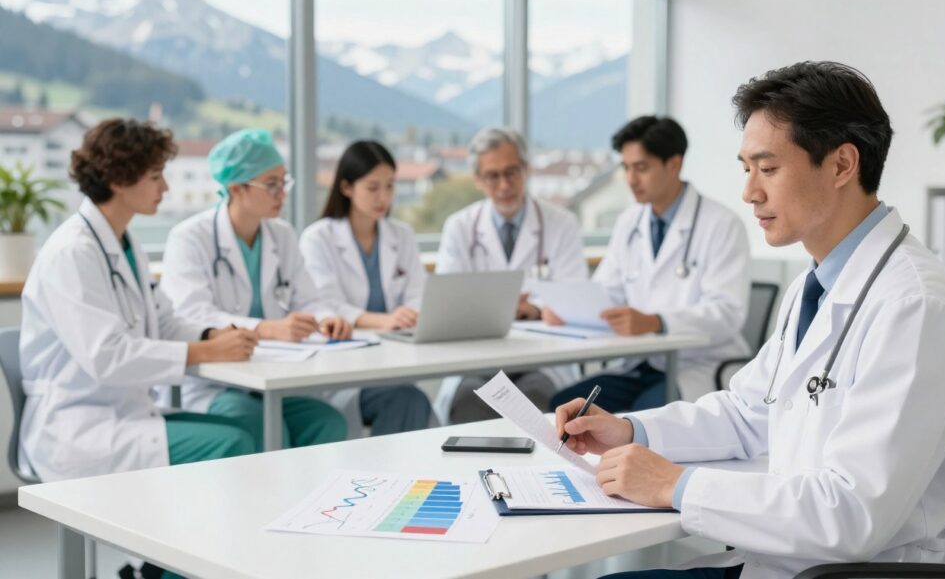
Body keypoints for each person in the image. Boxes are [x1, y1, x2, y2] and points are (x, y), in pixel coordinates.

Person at [553, 61, 945, 579]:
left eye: (768, 168)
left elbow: (852, 515)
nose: (749, 192)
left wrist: (675, 485)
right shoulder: (816, 284)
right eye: (747, 169)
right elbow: (747, 413)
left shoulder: (913, 306)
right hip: (786, 560)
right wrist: (632, 430)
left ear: (841, 165)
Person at [19, 118, 259, 484]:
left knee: (248, 429)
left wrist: (211, 334)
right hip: (79, 425)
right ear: (118, 180)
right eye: (155, 176)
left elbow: (163, 322)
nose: (165, 187)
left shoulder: (123, 243)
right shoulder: (72, 253)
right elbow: (108, 356)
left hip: (124, 411)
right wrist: (205, 352)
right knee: (234, 442)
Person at [160, 128, 350, 450]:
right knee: (262, 425)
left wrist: (326, 319)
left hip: (273, 376)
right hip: (214, 383)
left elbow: (309, 299)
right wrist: (268, 329)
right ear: (236, 188)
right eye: (271, 184)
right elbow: (192, 314)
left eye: (284, 182)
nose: (282, 193)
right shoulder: (190, 238)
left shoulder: (282, 235)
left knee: (327, 422)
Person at [548, 116, 750, 411]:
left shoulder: (722, 224)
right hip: (638, 364)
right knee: (565, 406)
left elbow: (726, 313)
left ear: (674, 164)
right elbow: (607, 291)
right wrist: (569, 311)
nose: (631, 179)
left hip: (697, 365)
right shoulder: (629, 222)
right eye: (626, 168)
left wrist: (657, 322)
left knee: (645, 414)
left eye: (641, 168)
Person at [434, 127, 588, 423]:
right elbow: (447, 303)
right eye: (493, 176)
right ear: (478, 180)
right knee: (468, 403)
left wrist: (534, 309)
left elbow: (575, 295)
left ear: (526, 170)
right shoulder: (459, 227)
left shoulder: (561, 223)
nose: (504, 184)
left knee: (538, 400)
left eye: (511, 172)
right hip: (478, 356)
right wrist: (498, 309)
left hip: (541, 357)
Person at [299, 140, 436, 436]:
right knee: (407, 400)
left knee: (410, 399)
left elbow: (418, 293)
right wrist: (385, 320)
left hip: (392, 359)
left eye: (390, 186)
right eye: (373, 187)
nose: (383, 197)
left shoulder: (401, 234)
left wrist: (409, 315)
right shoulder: (318, 238)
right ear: (346, 187)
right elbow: (325, 305)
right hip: (342, 369)